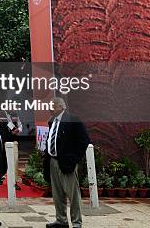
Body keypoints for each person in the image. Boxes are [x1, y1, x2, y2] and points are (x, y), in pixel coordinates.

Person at [43, 97, 90, 228]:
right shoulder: (52, 121)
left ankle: (76, 222)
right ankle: (61, 220)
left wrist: (74, 159)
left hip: (67, 163)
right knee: (57, 194)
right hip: (53, 162)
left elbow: (84, 141)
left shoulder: (73, 120)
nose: (50, 109)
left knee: (73, 195)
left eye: (52, 106)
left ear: (61, 107)